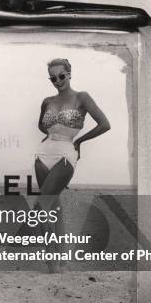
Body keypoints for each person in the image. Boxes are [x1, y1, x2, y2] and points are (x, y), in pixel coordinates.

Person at [34, 58, 111, 268]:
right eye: (53, 78)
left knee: (41, 206)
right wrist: (51, 133)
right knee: (52, 205)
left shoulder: (82, 97)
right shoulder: (47, 101)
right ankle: (61, 257)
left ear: (69, 74)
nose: (57, 81)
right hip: (43, 153)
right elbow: (42, 125)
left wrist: (79, 140)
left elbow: (105, 124)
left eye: (61, 76)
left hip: (66, 153)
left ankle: (52, 264)